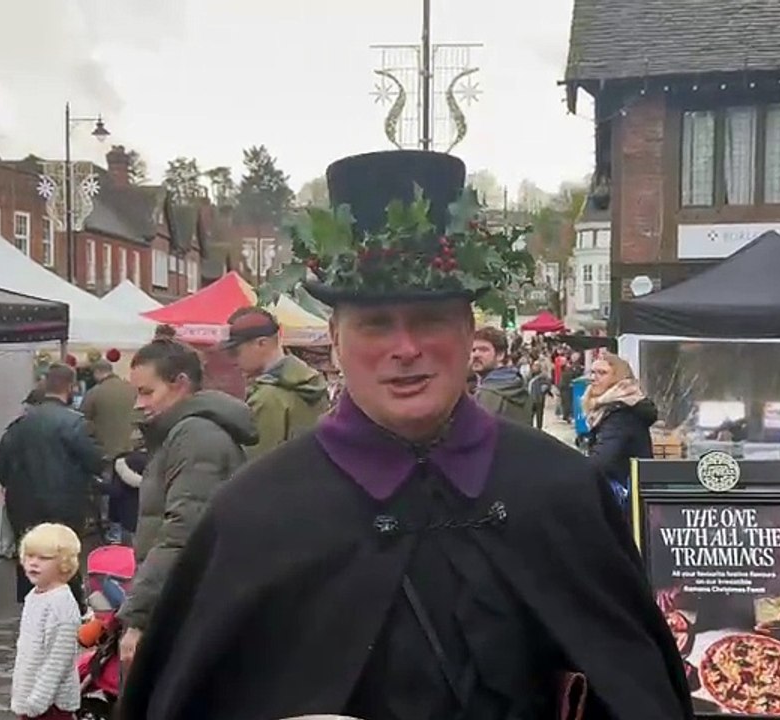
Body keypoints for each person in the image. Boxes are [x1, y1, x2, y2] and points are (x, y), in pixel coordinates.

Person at [119, 149, 692, 719]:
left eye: (429, 320)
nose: (406, 348)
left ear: (467, 331)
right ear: (335, 340)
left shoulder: (561, 491)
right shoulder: (256, 515)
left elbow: (640, 691)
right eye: (376, 325)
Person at [115, 338, 258, 669]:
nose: (139, 404)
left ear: (179, 384)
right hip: (186, 600)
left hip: (186, 604)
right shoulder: (185, 432)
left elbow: (183, 532)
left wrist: (139, 617)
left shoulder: (195, 436)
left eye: (147, 392)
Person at [0, 364, 104, 610]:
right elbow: (96, 461)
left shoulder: (19, 424)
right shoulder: (76, 424)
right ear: (71, 387)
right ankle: (69, 610)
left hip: (23, 504)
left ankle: (31, 608)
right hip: (66, 503)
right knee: (63, 558)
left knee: (30, 557)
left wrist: (10, 485)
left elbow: (1, 463)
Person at [221, 307, 329, 460]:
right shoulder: (313, 383)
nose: (234, 360)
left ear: (261, 344)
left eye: (236, 351)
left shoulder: (267, 397)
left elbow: (255, 464)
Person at [10, 523, 82, 720]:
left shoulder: (61, 604)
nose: (33, 563)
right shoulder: (34, 596)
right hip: (29, 697)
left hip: (50, 704)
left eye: (43, 558)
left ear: (63, 564)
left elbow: (58, 660)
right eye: (29, 556)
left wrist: (38, 701)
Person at [582, 354, 657, 493]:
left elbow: (602, 460)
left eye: (602, 373)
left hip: (626, 492)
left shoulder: (622, 412)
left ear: (618, 378)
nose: (593, 378)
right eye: (592, 372)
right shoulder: (607, 408)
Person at [471, 326, 532, 424]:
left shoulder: (488, 394)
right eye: (473, 350)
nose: (476, 355)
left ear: (500, 355)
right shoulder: (518, 384)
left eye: (483, 350)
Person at [79, 360, 137, 462]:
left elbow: (82, 421)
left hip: (106, 452)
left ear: (97, 372)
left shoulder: (94, 392)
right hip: (132, 450)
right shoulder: (132, 389)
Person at [528, 360, 553, 430]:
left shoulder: (543, 377)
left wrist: (545, 389)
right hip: (530, 399)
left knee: (539, 416)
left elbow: (548, 384)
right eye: (534, 366)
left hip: (539, 399)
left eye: (537, 366)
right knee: (530, 416)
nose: (535, 367)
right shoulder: (530, 376)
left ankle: (539, 429)